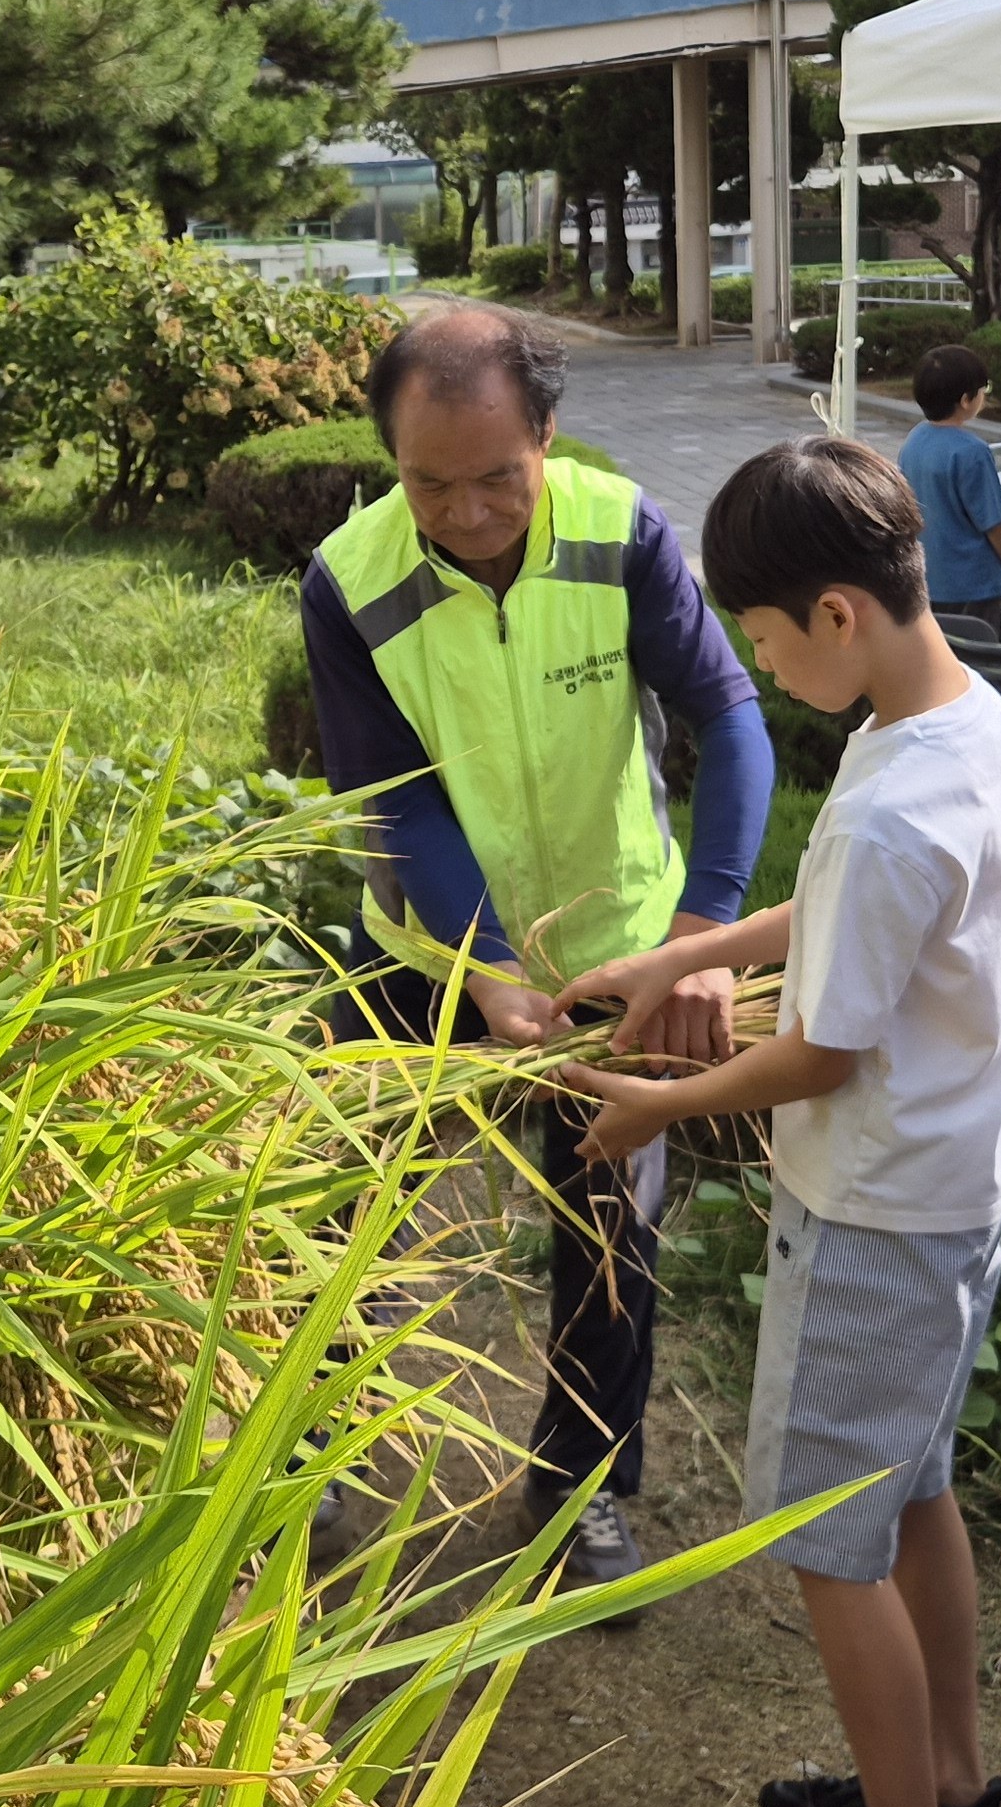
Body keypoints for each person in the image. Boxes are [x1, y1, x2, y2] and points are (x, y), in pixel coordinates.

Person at [545, 436, 1001, 1807]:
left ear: (835, 612)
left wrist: (657, 1106)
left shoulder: (895, 802)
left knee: (829, 1545)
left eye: (761, 636)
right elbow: (831, 905)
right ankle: (950, 1790)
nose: (755, 661)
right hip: (950, 1191)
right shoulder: (957, 719)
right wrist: (672, 963)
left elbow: (825, 1045)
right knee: (911, 1500)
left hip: (877, 1203)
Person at [300, 307, 774, 1592]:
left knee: (609, 1229)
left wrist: (702, 936)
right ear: (390, 460)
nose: (465, 511)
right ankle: (313, 1457)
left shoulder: (621, 533)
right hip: (421, 951)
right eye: (428, 483)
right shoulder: (349, 580)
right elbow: (394, 800)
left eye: (497, 476)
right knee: (340, 1209)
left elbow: (727, 719)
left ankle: (578, 1494)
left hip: (621, 955)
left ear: (548, 435)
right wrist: (480, 965)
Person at [904, 343, 1001, 643]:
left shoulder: (914, 441)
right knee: (987, 665)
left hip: (930, 578)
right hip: (975, 584)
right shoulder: (972, 451)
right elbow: (994, 523)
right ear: (966, 399)